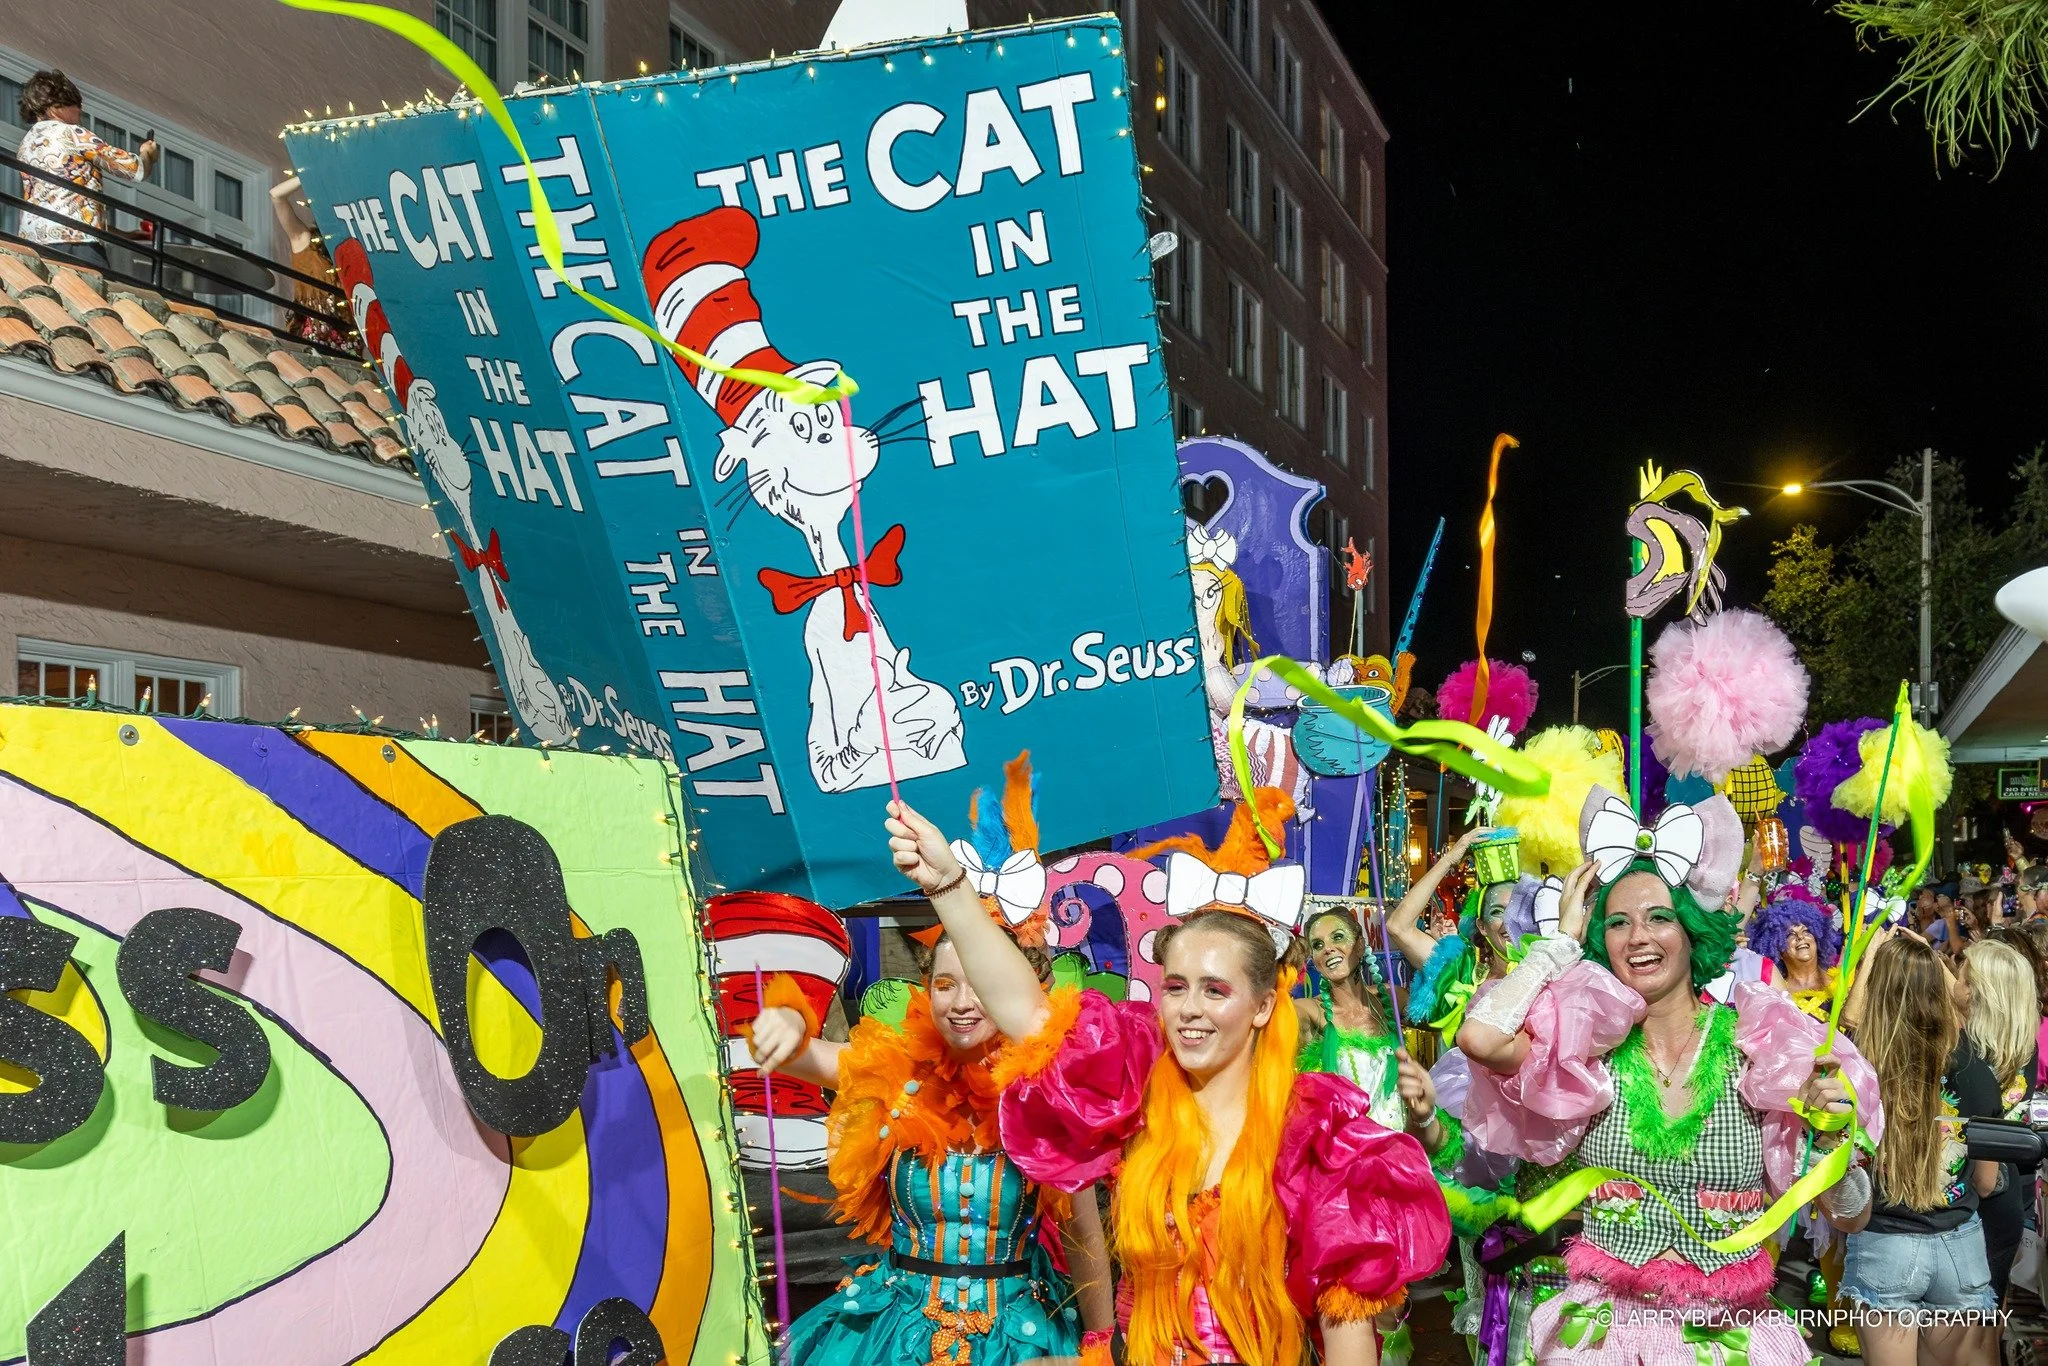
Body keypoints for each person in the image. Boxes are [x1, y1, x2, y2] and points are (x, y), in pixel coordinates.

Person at [886, 800, 1451, 1366]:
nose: (1188, 1010)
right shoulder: (1139, 1095)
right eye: (1176, 987)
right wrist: (950, 889)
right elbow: (1030, 1016)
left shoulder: (1321, 1142)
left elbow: (1348, 1340)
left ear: (1262, 1006)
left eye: (1215, 990)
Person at [1458, 786, 1877, 1365]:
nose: (1639, 938)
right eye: (1619, 923)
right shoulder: (1585, 1053)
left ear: (1691, 930)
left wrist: (1834, 1140)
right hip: (1603, 1341)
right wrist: (1557, 947)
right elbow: (1479, 1039)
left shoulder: (1760, 1047)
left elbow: (1851, 1215)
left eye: (1660, 918)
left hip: (1728, 1340)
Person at [745, 929, 1111, 1366]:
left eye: (980, 982)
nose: (961, 1002)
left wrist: (1100, 1346)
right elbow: (793, 1055)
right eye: (945, 984)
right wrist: (790, 1019)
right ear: (926, 987)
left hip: (1019, 1340)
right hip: (894, 1334)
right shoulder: (897, 1075)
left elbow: (1083, 1237)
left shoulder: (1049, 1093)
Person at [1841, 934, 1999, 1363]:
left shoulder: (1857, 1068)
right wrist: (1934, 964)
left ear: (1875, 990)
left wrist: (1872, 954)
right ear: (1940, 993)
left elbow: (1848, 1024)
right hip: (1959, 1246)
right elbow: (1985, 1183)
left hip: (1885, 1243)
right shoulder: (1976, 1071)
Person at [1961, 938, 2041, 1305]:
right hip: (2005, 1199)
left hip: (1972, 1199)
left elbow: (1985, 1179)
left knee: (1957, 1333)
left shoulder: (1966, 1057)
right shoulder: (2023, 1044)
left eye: (1963, 977)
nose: (1955, 984)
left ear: (1981, 994)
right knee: (1986, 1323)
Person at [14, 70, 155, 273]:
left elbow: (62, 201)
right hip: (76, 243)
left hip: (33, 240)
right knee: (94, 296)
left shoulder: (26, 144)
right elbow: (134, 170)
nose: (80, 110)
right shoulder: (72, 134)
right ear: (56, 107)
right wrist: (147, 154)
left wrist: (124, 235)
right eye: (76, 103)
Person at [268, 176, 350, 349]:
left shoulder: (353, 254)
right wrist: (311, 170)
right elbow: (276, 195)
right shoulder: (307, 243)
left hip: (347, 341)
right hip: (313, 337)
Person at [1749, 882, 1843, 1022]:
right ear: (1776, 948)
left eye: (1806, 931)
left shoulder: (1843, 981)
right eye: (1790, 935)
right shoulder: (1774, 993)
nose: (1800, 937)